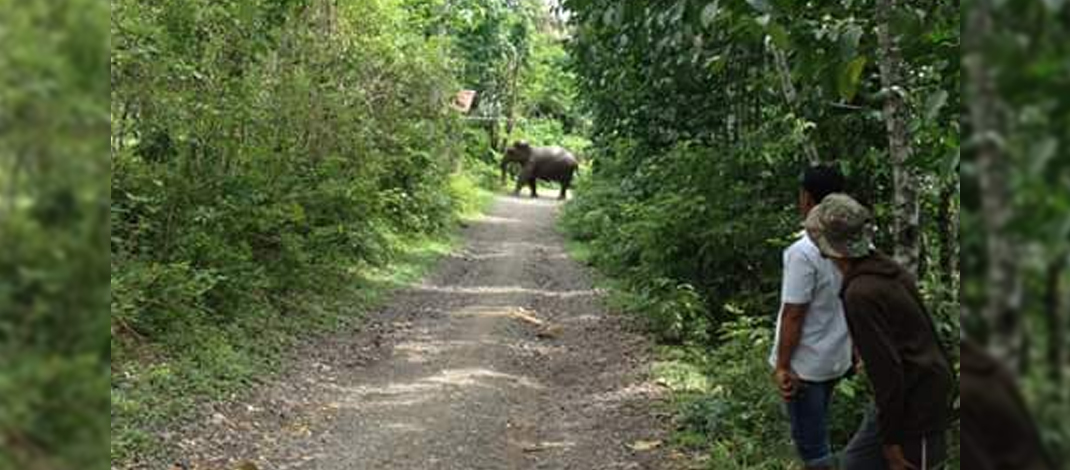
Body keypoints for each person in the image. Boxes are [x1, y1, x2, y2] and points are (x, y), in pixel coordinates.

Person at [803, 193, 953, 470]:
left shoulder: (862, 293)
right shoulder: (886, 270)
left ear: (827, 250)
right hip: (905, 397)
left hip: (917, 402)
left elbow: (889, 372)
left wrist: (891, 443)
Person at [768, 165, 853, 470]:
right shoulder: (856, 245)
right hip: (836, 358)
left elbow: (793, 313)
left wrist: (782, 365)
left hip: (804, 366)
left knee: (812, 447)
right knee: (819, 438)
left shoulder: (803, 252)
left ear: (806, 199)